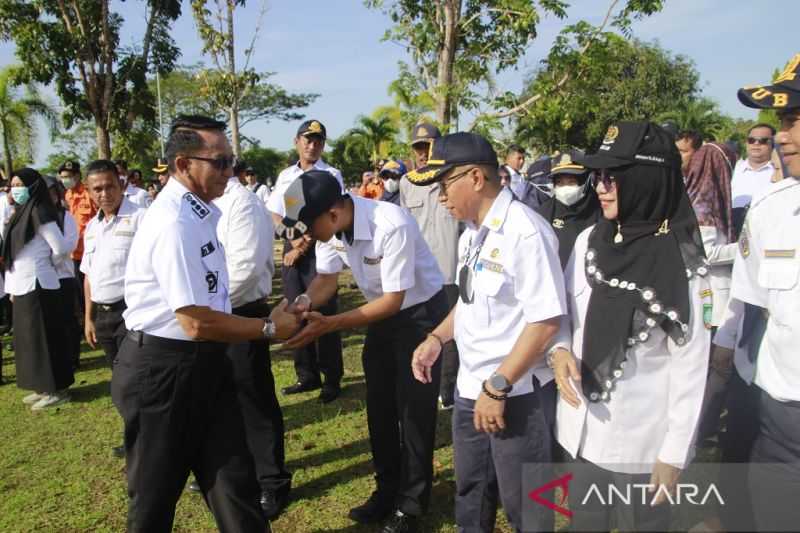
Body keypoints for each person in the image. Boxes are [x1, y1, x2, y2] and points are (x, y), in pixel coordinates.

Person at [112, 114, 299, 531]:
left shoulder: (202, 214)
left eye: (231, 160)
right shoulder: (174, 223)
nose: (229, 172)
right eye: (219, 163)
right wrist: (268, 328)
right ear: (182, 164)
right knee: (154, 498)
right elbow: (195, 321)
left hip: (206, 364)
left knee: (235, 483)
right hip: (162, 371)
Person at [552, 122, 711, 532]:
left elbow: (691, 366)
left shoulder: (681, 263)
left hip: (642, 446)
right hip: (581, 431)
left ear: (644, 178)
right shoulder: (590, 240)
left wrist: (673, 453)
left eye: (612, 176)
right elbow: (563, 315)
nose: (600, 186)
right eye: (598, 176)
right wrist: (560, 350)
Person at [408, 132, 566, 532]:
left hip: (515, 396)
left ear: (476, 178)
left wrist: (499, 385)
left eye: (444, 185)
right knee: (471, 492)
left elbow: (546, 321)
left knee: (525, 507)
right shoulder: (471, 234)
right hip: (470, 390)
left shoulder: (526, 233)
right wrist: (437, 338)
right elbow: (469, 301)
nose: (440, 197)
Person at [277, 170, 448, 533]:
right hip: (382, 317)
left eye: (308, 224)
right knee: (380, 407)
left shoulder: (391, 223)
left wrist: (332, 323)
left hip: (420, 317)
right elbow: (325, 279)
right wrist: (304, 303)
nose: (306, 234)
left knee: (414, 411)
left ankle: (411, 505)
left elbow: (394, 299)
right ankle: (387, 491)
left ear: (334, 214)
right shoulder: (330, 228)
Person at [732, 53, 800, 532]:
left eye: (796, 120)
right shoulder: (769, 210)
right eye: (781, 121)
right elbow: (750, 307)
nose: (783, 135)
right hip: (781, 423)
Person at [213, 160, 292, 519]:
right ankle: (236, 473)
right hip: (211, 315)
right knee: (220, 398)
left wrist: (208, 307)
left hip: (240, 310)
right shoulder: (202, 205)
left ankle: (272, 482)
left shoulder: (241, 203)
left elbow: (244, 268)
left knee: (253, 400)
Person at [266, 119, 344, 402]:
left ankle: (331, 378)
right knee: (293, 309)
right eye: (307, 139)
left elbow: (328, 217)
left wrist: (299, 247)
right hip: (291, 245)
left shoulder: (331, 174)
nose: (312, 145)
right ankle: (306, 375)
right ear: (296, 141)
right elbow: (275, 212)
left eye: (318, 141)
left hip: (318, 246)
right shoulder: (286, 175)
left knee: (320, 309)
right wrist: (289, 238)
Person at [2, 168, 75, 410]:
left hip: (39, 284)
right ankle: (41, 387)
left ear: (33, 186)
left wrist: (47, 264)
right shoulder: (20, 212)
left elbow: (61, 247)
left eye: (19, 184)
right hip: (22, 286)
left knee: (44, 340)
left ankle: (56, 389)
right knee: (29, 340)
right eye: (12, 184)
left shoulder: (40, 211)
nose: (15, 189)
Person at [400, 122, 461, 410]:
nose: (423, 153)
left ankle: (447, 391)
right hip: (420, 275)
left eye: (429, 146)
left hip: (451, 271)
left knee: (450, 337)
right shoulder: (406, 183)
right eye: (418, 148)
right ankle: (426, 381)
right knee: (424, 331)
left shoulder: (452, 178)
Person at [682, 141, 739, 446]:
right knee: (715, 367)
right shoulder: (704, 202)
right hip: (713, 296)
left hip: (707, 295)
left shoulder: (699, 195)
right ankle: (701, 428)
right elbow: (709, 251)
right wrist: (745, 248)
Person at [535, 151, 601, 268]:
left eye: (571, 182)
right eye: (560, 183)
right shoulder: (545, 212)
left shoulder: (601, 210)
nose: (565, 188)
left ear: (585, 181)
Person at [44, 177, 80, 369]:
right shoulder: (36, 216)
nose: (49, 197)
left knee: (68, 320)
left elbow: (69, 244)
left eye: (52, 192)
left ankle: (73, 358)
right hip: (44, 279)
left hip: (63, 275)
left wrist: (50, 261)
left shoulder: (65, 216)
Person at [61, 160, 96, 315]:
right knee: (79, 290)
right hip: (73, 252)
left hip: (90, 251)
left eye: (68, 176)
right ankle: (84, 319)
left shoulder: (89, 193)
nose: (65, 180)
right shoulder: (67, 195)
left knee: (92, 289)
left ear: (77, 176)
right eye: (62, 177)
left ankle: (94, 318)